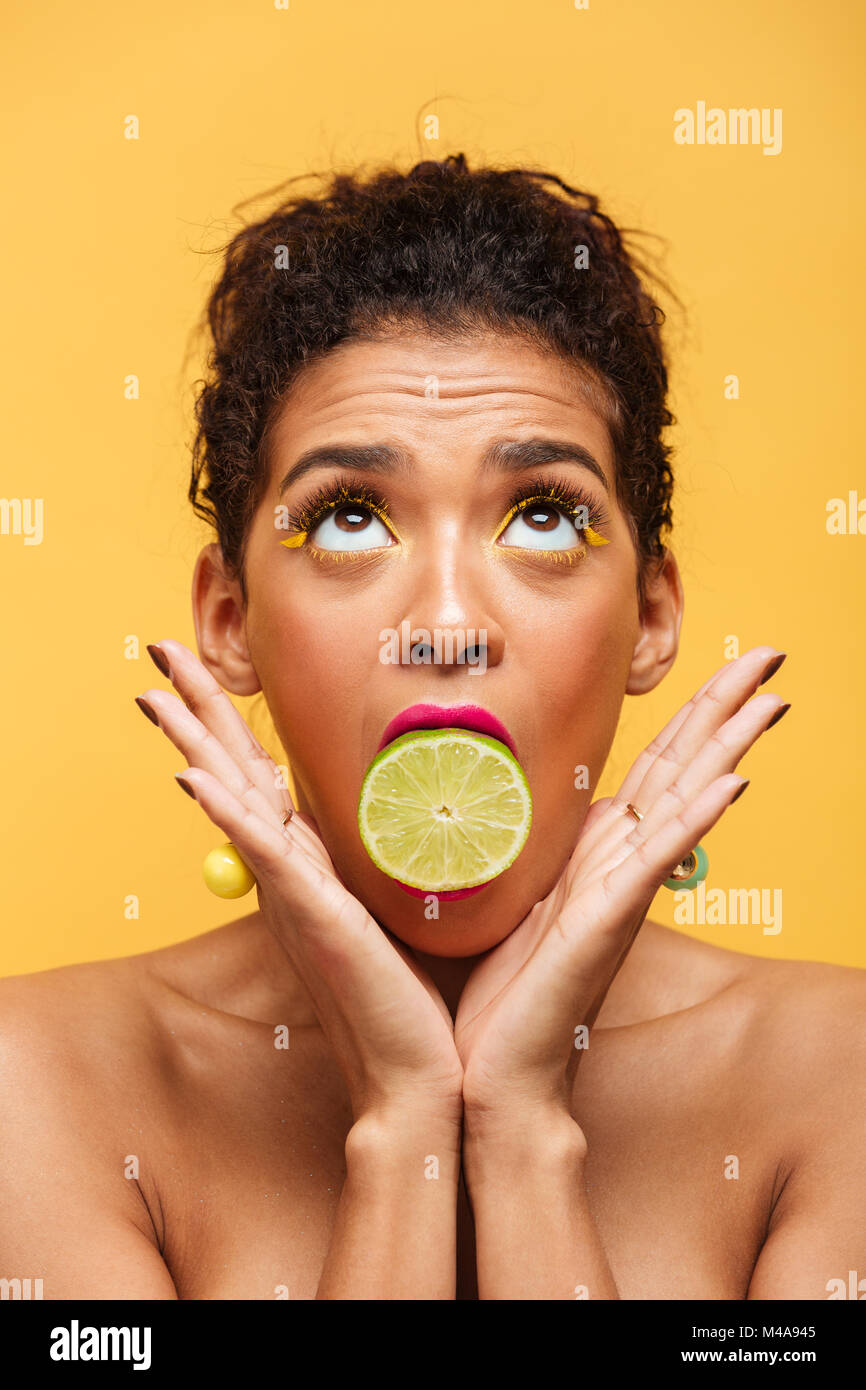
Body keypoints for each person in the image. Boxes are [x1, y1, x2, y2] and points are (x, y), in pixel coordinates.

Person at [2, 155, 863, 1301]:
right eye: (350, 518)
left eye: (542, 514)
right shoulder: (37, 1083)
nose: (446, 626)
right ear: (229, 619)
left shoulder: (839, 1077)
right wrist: (405, 1122)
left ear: (651, 615)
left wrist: (519, 1132)